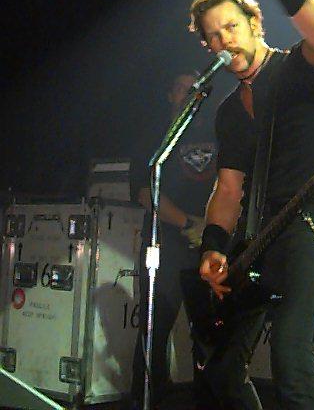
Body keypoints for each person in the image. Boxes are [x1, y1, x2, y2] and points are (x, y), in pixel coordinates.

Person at [189, 0, 314, 409]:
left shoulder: (296, 70)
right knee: (222, 369)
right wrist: (213, 247)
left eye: (231, 27)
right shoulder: (229, 112)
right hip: (256, 241)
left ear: (254, 24)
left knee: (291, 355)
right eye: (213, 36)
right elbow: (228, 189)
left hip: (305, 227)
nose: (223, 41)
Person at [131, 72, 219, 409]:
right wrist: (188, 223)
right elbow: (145, 192)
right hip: (166, 246)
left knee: (209, 334)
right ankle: (147, 401)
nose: (188, 95)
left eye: (195, 90)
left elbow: (232, 187)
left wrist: (211, 228)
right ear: (170, 95)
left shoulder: (218, 135)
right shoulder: (154, 137)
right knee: (154, 331)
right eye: (182, 88)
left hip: (208, 245)